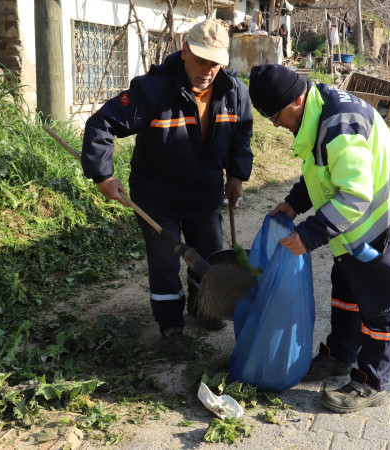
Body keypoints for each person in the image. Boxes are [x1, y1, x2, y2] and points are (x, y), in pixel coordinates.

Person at [247, 64, 390, 413]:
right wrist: (295, 204)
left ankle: (372, 382)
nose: (276, 124)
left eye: (275, 115)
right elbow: (324, 171)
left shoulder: (339, 124)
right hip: (360, 231)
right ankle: (340, 354)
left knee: (382, 301)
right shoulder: (317, 108)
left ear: (295, 99)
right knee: (346, 285)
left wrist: (309, 235)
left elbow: (354, 196)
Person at [81, 20, 254, 355]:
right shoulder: (153, 90)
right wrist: (103, 176)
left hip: (204, 193)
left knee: (208, 255)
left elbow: (241, 136)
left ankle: (203, 307)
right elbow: (101, 123)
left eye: (215, 63)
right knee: (165, 263)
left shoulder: (234, 91)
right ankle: (171, 328)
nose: (207, 70)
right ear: (185, 51)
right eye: (201, 60)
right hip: (157, 195)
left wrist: (237, 174)